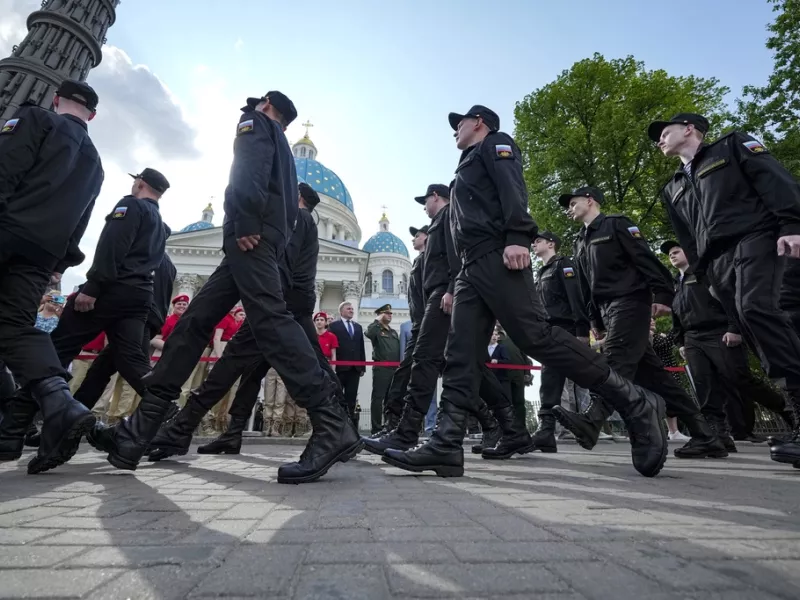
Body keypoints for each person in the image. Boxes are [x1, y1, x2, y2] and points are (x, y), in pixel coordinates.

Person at [383, 106, 668, 478]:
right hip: (470, 268)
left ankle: (634, 401)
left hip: (496, 255)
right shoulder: (465, 165)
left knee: (537, 337)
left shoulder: (496, 144)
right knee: (460, 354)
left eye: (460, 123)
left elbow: (512, 188)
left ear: (479, 123)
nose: (455, 129)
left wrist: (518, 236)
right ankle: (446, 444)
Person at [130, 159, 360, 483]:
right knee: (252, 374)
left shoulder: (297, 220)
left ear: (296, 196)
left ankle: (182, 429)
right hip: (286, 310)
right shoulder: (305, 223)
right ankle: (228, 431)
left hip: (278, 310)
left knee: (230, 368)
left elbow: (276, 264)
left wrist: (260, 297)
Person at [650, 112, 800, 467]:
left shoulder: (731, 146)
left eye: (665, 132)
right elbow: (686, 235)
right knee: (753, 328)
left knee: (756, 309)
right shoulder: (672, 187)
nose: (659, 140)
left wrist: (792, 222)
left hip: (756, 237)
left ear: (689, 129)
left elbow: (774, 179)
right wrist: (702, 272)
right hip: (716, 262)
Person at [553, 186, 726, 460]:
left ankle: (592, 419)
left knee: (614, 361)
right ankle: (706, 435)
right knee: (656, 378)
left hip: (631, 301)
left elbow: (645, 259)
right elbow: (586, 285)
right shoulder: (579, 241)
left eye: (573, 203)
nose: (569, 209)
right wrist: (594, 319)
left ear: (590, 200)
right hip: (607, 311)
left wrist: (662, 294)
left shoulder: (616, 224)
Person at [0, 80, 104, 470]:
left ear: (56, 99)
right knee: (16, 327)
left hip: (7, 229)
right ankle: (56, 405)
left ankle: (19, 418)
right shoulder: (96, 161)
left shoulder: (35, 118)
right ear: (92, 115)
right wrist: (60, 263)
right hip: (43, 254)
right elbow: (82, 219)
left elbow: (5, 169)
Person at [663, 241, 791, 446]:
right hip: (692, 338)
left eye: (676, 251)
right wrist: (681, 343)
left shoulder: (706, 273)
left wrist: (734, 328)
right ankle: (717, 435)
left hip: (719, 332)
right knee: (705, 386)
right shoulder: (676, 283)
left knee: (739, 378)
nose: (672, 255)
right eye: (669, 254)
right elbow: (676, 317)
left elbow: (728, 298)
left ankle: (786, 410)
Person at [72, 244, 177, 414]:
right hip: (150, 318)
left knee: (133, 366)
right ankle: (76, 414)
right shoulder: (169, 264)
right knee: (101, 369)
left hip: (135, 316)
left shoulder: (145, 250)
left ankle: (166, 409)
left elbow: (117, 274)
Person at [532, 230, 589, 452]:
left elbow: (576, 296)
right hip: (549, 330)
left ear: (551, 244)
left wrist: (582, 330)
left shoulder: (563, 265)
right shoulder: (541, 273)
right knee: (550, 378)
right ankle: (546, 430)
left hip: (566, 329)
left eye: (538, 240)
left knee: (589, 378)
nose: (534, 244)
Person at [375, 225, 429, 434]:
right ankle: (395, 425)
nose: (413, 239)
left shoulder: (432, 260)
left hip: (429, 325)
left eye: (417, 235)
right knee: (403, 375)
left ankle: (496, 422)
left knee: (461, 376)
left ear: (427, 237)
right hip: (419, 325)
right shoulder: (419, 261)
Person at [365, 305, 401, 434]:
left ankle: (388, 426)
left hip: (394, 368)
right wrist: (377, 321)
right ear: (380, 314)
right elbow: (368, 333)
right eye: (387, 313)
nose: (390, 315)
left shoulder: (393, 332)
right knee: (378, 398)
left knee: (390, 400)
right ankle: (376, 428)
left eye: (391, 313)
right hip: (381, 368)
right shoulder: (376, 329)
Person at [329, 301, 366, 422]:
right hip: (340, 368)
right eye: (348, 308)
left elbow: (361, 347)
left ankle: (349, 423)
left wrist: (362, 366)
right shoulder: (334, 326)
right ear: (341, 312)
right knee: (338, 396)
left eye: (352, 309)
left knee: (351, 398)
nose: (351, 310)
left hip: (355, 369)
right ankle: (338, 422)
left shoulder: (358, 327)